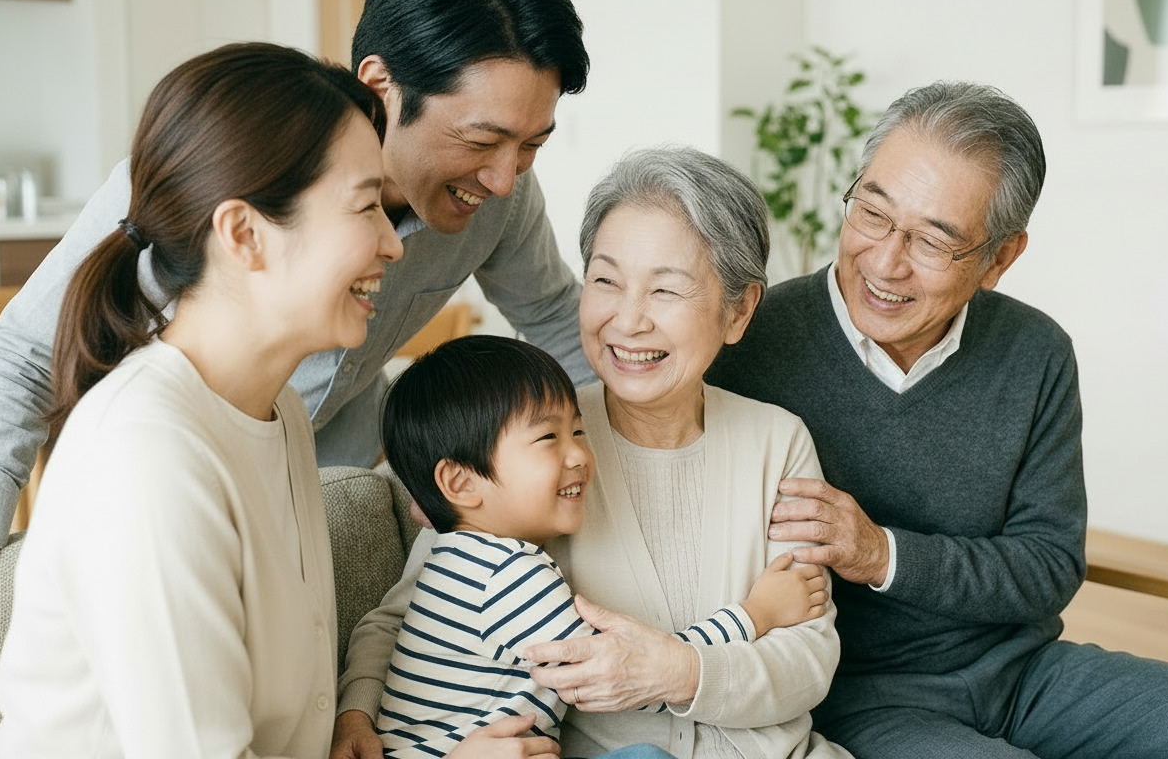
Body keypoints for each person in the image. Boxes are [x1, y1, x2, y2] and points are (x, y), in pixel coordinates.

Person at [706, 81, 1168, 758]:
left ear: (1001, 258)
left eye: (934, 241)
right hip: (864, 694)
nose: (886, 261)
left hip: (1024, 673)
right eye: (872, 214)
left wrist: (881, 553)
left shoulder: (1035, 352)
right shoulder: (751, 344)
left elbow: (1049, 563)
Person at [0, 0, 593, 545]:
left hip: (330, 498)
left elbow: (556, 318)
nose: (504, 178)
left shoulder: (502, 196)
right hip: (172, 492)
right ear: (381, 86)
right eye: (481, 141)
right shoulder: (214, 173)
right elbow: (20, 361)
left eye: (533, 146)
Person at [335, 147, 852, 759]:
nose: (628, 320)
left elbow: (808, 658)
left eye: (666, 289)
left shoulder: (778, 440)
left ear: (738, 311)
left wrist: (679, 672)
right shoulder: (525, 446)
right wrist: (355, 715)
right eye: (605, 280)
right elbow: (402, 621)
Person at [0, 42, 403, 757]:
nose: (393, 244)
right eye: (367, 206)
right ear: (244, 234)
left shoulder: (276, 418)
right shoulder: (147, 453)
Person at [374, 335, 824, 757]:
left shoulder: (456, 557)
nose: (580, 456)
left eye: (578, 431)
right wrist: (758, 613)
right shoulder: (508, 576)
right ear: (459, 482)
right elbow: (631, 677)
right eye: (548, 437)